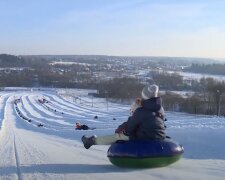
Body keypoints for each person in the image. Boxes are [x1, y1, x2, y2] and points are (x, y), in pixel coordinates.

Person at [81, 84, 166, 149]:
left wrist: (123, 133)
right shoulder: (160, 109)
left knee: (117, 137)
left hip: (144, 138)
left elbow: (129, 129)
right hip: (159, 136)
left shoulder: (140, 111)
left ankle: (91, 141)